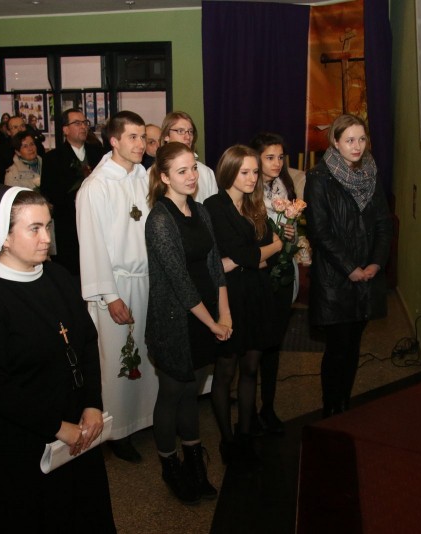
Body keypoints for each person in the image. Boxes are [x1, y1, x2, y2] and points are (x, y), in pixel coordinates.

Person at [0, 185, 115, 532]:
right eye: (35, 229)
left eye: (48, 226)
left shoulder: (58, 276)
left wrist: (92, 403)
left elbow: (87, 341)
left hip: (76, 424)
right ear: (4, 237)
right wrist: (57, 427)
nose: (47, 238)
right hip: (20, 439)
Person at [145, 142, 231, 503]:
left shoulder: (200, 210)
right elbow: (179, 281)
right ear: (164, 177)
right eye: (182, 171)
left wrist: (225, 312)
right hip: (174, 321)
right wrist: (212, 323)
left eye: (193, 167)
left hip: (205, 314)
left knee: (191, 393)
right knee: (171, 394)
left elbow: (214, 265)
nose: (192, 176)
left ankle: (195, 462)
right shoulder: (159, 219)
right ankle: (170, 466)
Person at [76, 110, 156, 463]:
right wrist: (110, 296)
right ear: (114, 141)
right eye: (133, 137)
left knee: (146, 355)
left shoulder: (145, 177)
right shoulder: (96, 186)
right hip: (117, 286)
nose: (141, 144)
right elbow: (92, 245)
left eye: (143, 137)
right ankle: (117, 430)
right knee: (117, 362)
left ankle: (145, 417)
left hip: (147, 280)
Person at [304, 114, 392, 417]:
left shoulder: (371, 172)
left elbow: (383, 223)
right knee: (338, 347)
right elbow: (319, 232)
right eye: (350, 140)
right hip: (335, 278)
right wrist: (350, 267)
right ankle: (332, 408)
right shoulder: (319, 178)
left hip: (367, 275)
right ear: (335, 142)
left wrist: (376, 263)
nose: (357, 146)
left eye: (362, 139)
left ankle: (345, 404)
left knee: (354, 345)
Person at [203, 145, 283, 467]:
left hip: (257, 294)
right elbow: (251, 254)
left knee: (251, 367)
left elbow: (258, 257)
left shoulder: (254, 204)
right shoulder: (214, 206)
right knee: (225, 370)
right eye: (245, 172)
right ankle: (227, 439)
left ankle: (246, 433)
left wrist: (256, 255)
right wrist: (269, 248)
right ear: (229, 172)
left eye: (254, 172)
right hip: (230, 297)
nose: (252, 178)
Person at [249, 132, 297, 435]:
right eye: (269, 157)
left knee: (274, 344)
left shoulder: (284, 185)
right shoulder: (248, 189)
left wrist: (291, 231)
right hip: (259, 272)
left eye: (280, 157)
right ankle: (248, 410)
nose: (277, 163)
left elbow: (292, 224)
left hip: (281, 271)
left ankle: (268, 405)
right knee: (254, 346)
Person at [40, 108, 104, 280]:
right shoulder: (53, 158)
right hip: (68, 225)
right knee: (71, 275)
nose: (83, 127)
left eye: (85, 123)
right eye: (77, 123)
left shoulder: (99, 154)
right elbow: (49, 192)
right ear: (65, 129)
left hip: (97, 222)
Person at [160, 111, 218, 202]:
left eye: (190, 132)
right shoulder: (153, 172)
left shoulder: (206, 172)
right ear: (166, 136)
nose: (187, 137)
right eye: (180, 131)